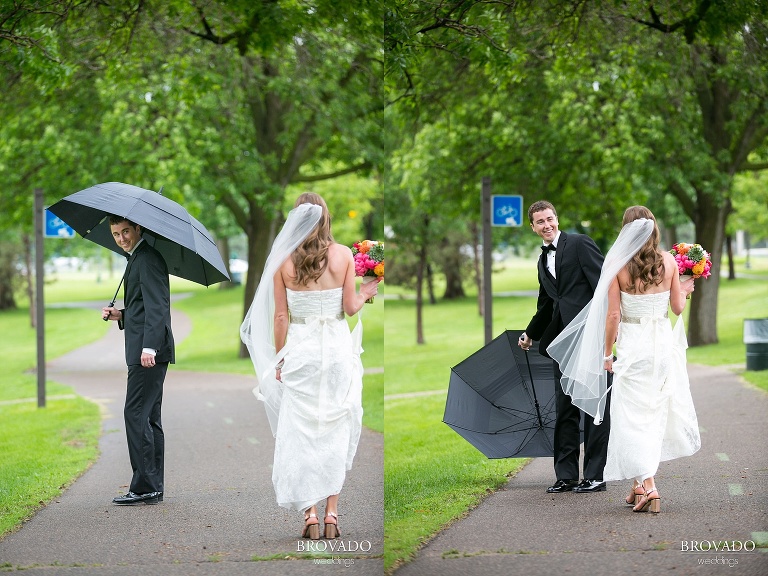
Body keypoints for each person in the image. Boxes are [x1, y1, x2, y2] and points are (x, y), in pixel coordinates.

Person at [240, 193, 380, 540]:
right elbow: (349, 308)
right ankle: (332, 512)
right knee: (335, 425)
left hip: (300, 351)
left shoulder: (283, 261)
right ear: (325, 217)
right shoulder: (344, 255)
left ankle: (310, 515)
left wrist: (280, 357)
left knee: (300, 429)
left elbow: (281, 316)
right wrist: (367, 291)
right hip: (335, 349)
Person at [548, 206, 699, 513]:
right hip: (662, 349)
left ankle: (650, 484)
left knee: (630, 416)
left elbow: (613, 315)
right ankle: (639, 486)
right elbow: (678, 309)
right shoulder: (669, 262)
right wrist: (685, 288)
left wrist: (606, 354)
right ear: (653, 229)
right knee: (652, 414)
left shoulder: (618, 265)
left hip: (633, 350)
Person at [518, 200, 611, 494]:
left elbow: (603, 286)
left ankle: (595, 475)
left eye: (550, 219)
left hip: (590, 337)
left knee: (594, 405)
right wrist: (530, 333)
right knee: (566, 407)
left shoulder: (580, 244)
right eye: (540, 222)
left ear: (557, 218)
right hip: (561, 342)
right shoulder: (541, 260)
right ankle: (566, 475)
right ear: (533, 228)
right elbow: (546, 303)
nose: (547, 226)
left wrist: (608, 329)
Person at [102, 215, 174, 505]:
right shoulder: (137, 258)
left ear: (138, 228)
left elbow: (158, 307)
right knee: (149, 417)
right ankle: (152, 486)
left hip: (148, 353)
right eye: (116, 234)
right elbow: (143, 307)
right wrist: (121, 314)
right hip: (146, 349)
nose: (121, 239)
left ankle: (144, 486)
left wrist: (150, 348)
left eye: (126, 232)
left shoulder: (146, 259)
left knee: (135, 415)